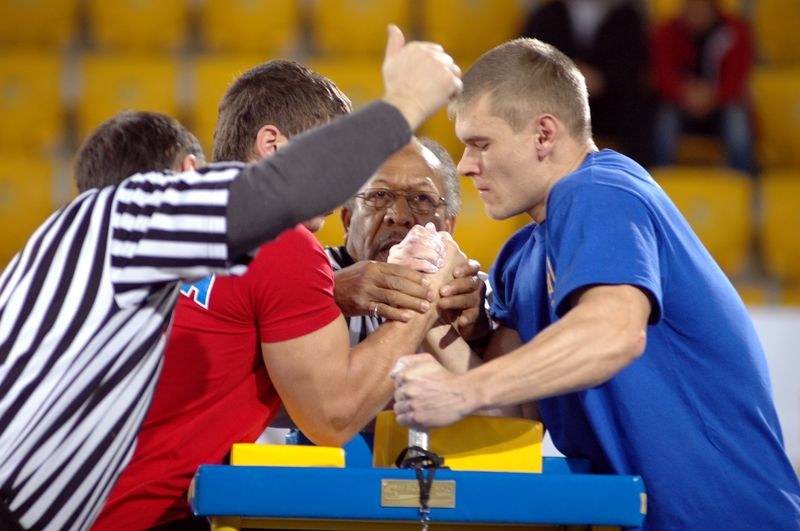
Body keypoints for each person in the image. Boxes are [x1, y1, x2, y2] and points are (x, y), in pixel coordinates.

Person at [0, 25, 463, 531]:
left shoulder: (77, 225)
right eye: (338, 160)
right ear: (272, 145)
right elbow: (333, 416)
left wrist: (330, 292)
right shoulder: (283, 243)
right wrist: (428, 284)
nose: (345, 185)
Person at [390, 37, 800, 529]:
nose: (464, 165)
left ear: (544, 134)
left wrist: (460, 393)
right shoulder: (519, 256)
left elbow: (613, 332)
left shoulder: (600, 190)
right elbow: (514, 410)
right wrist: (431, 305)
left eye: (481, 143)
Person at [328, 135, 491, 349]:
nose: (399, 215)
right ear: (348, 221)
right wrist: (327, 297)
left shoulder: (478, 292)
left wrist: (481, 332)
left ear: (448, 227)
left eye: (422, 199)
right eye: (379, 195)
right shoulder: (307, 275)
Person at [521, 0, 653, 165]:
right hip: (558, 101)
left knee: (642, 113)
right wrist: (569, 77)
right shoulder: (546, 15)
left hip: (611, 103)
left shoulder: (627, 16)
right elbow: (529, 60)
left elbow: (633, 64)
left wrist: (602, 79)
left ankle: (640, 177)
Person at [651, 0, 756, 174]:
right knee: (664, 119)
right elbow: (663, 75)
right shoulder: (667, 31)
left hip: (722, 104)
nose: (696, 9)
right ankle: (659, 184)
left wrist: (713, 96)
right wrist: (684, 93)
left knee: (737, 122)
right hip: (681, 103)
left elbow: (737, 77)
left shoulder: (736, 31)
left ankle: (743, 184)